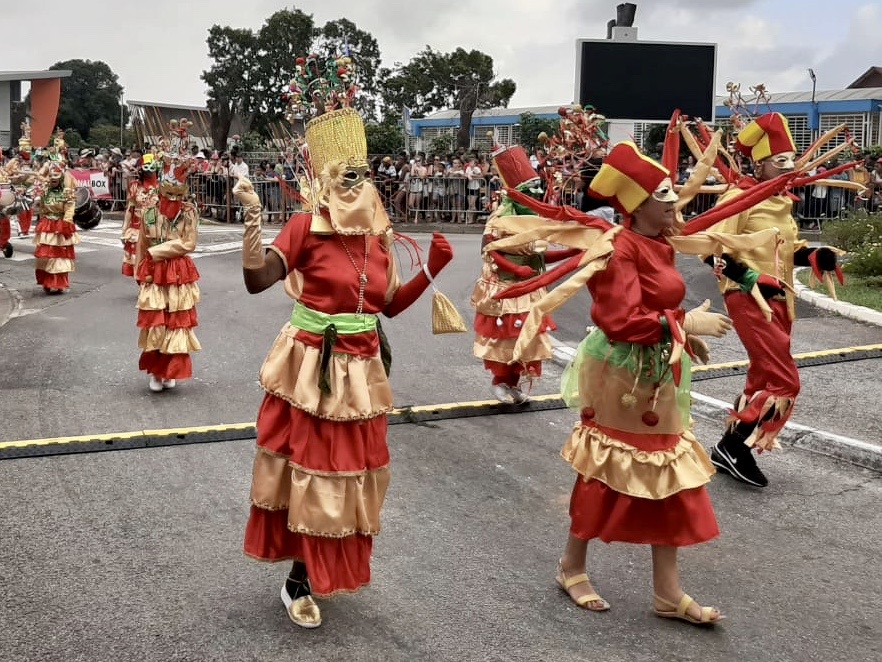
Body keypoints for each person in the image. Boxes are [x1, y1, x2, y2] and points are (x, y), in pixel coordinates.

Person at [491, 141, 731, 625]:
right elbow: (622, 321)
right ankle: (571, 566)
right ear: (636, 204)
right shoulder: (617, 248)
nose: (674, 200)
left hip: (661, 370)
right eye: (663, 192)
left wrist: (682, 334)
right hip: (623, 370)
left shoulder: (660, 241)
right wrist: (683, 324)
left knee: (670, 475)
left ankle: (668, 592)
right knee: (605, 470)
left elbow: (658, 307)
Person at [234, 103, 453, 629]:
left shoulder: (379, 237)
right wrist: (252, 221)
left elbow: (388, 305)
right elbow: (258, 280)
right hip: (309, 366)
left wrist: (434, 270)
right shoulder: (307, 226)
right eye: (346, 175)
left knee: (346, 476)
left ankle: (313, 571)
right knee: (309, 471)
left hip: (362, 371)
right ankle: (298, 581)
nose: (357, 184)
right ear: (328, 180)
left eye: (364, 174)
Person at [703, 113, 843, 487]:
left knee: (763, 377)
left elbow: (786, 251)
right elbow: (711, 249)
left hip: (781, 298)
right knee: (785, 382)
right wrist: (749, 277)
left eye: (791, 159)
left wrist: (814, 254)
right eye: (779, 161)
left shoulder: (781, 199)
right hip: (749, 299)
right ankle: (736, 446)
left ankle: (728, 448)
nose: (789, 166)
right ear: (758, 163)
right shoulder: (739, 197)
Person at [471, 144, 579, 403]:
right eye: (532, 191)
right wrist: (514, 268)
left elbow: (539, 257)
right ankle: (500, 381)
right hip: (505, 287)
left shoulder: (535, 220)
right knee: (504, 338)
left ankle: (514, 383)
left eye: (539, 190)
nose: (539, 195)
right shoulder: (500, 220)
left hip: (529, 288)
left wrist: (573, 254)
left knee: (527, 338)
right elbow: (489, 249)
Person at [135, 135, 201, 393]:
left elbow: (189, 243)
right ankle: (155, 371)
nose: (173, 200)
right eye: (168, 194)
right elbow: (141, 243)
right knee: (155, 322)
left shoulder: (188, 212)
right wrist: (141, 269)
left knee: (176, 322)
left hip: (177, 271)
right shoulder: (149, 211)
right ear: (161, 190)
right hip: (154, 272)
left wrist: (158, 251)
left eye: (178, 195)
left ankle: (170, 370)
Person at [34, 130, 79, 294]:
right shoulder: (45, 189)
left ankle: (58, 283)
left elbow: (69, 207)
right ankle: (46, 281)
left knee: (59, 256)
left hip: (60, 225)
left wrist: (67, 223)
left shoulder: (67, 191)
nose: (53, 179)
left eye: (56, 176)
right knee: (45, 255)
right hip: (47, 224)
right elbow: (41, 207)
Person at [121, 154, 160, 279]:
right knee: (138, 258)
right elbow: (130, 209)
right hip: (137, 227)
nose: (149, 172)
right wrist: (124, 229)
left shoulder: (161, 187)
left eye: (152, 168)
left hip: (155, 227)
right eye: (146, 168)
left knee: (153, 258)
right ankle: (143, 284)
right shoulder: (135, 186)